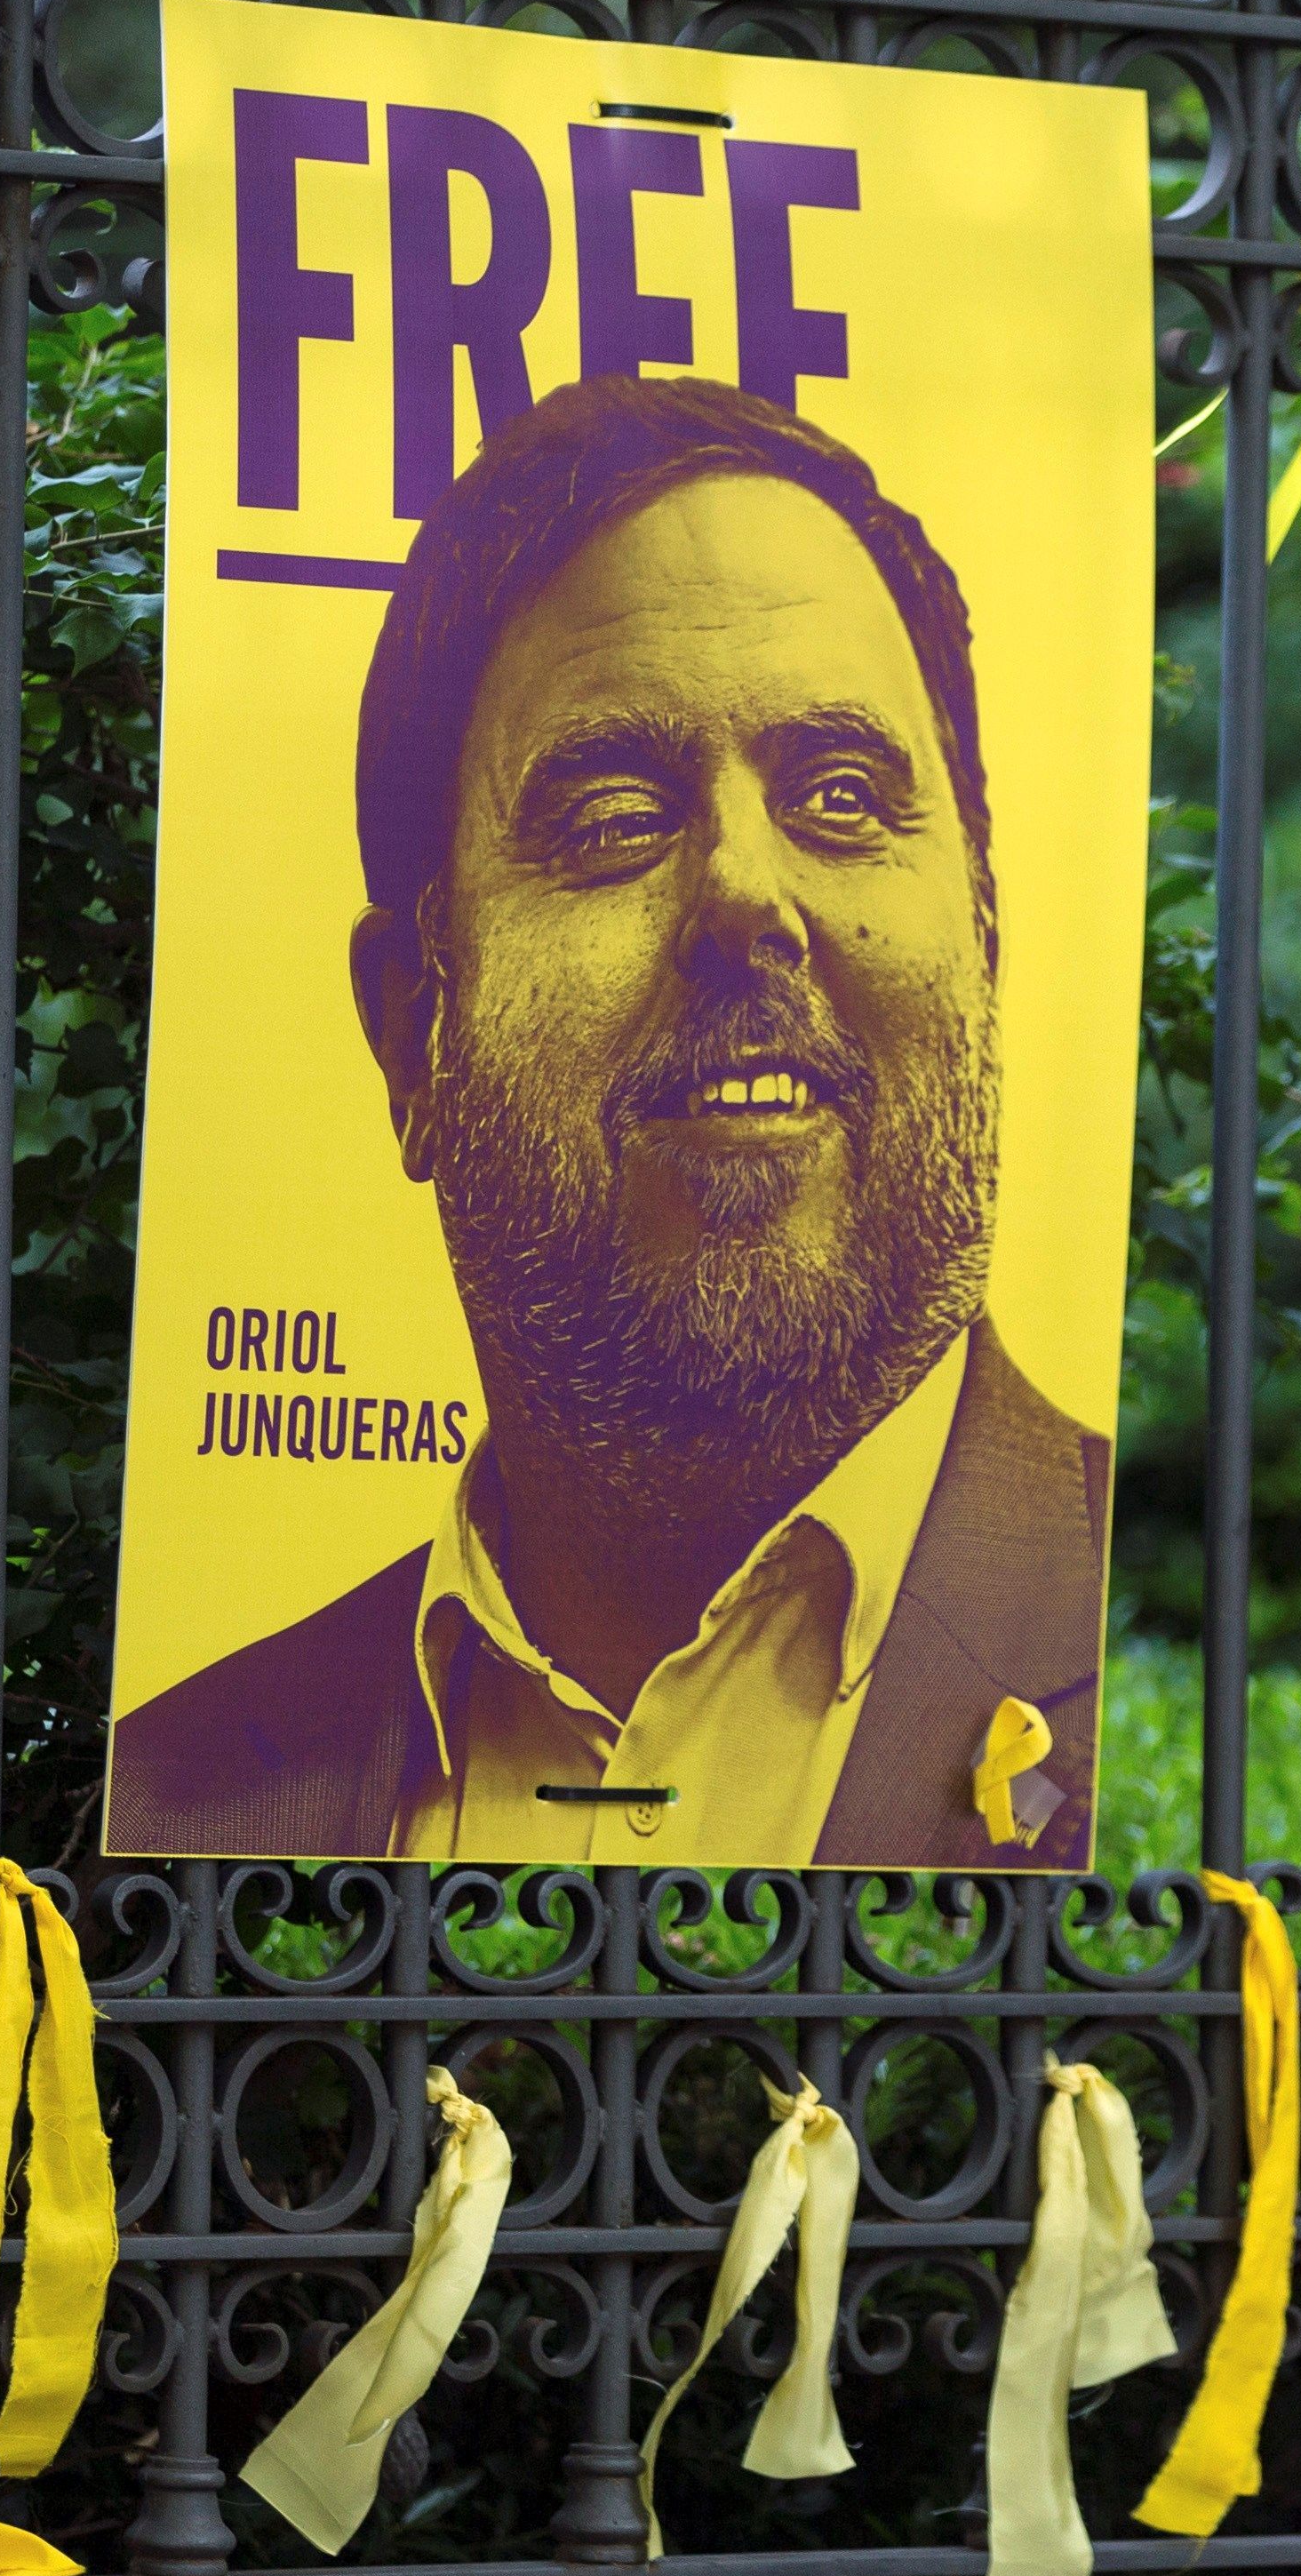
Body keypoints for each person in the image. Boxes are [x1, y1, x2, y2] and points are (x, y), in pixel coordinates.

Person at [108, 376, 1107, 1869]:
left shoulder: (1147, 1631)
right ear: (410, 1034)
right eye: (613, 820)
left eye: (839, 795)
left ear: (983, 933)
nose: (747, 902)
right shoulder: (191, 1780)